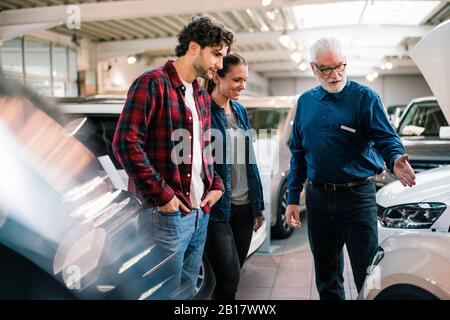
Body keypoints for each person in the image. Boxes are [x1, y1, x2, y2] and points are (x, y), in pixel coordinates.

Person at [112, 16, 235, 299]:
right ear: (194, 47)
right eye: (216, 54)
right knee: (161, 294)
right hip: (167, 216)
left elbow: (204, 149)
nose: (219, 63)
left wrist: (215, 185)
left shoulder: (201, 94)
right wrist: (163, 195)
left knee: (186, 293)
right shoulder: (152, 84)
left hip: (199, 214)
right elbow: (125, 144)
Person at [285, 37, 416, 300]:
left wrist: (394, 158)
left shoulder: (364, 97)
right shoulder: (305, 103)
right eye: (326, 69)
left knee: (367, 272)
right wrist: (291, 198)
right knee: (326, 274)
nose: (335, 75)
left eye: (340, 66)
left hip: (357, 197)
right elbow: (298, 153)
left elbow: (385, 137)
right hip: (318, 198)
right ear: (313, 68)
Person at [205, 52, 265, 300]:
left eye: (245, 80)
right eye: (237, 80)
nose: (242, 86)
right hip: (219, 209)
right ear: (218, 76)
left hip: (244, 206)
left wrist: (257, 205)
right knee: (228, 279)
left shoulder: (239, 110)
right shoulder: (204, 112)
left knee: (231, 278)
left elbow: (250, 160)